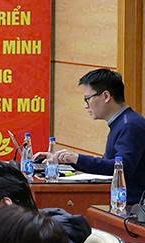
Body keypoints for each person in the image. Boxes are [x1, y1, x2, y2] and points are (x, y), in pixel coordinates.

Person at [46, 68, 145, 210]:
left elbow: (120, 169)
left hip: (131, 209)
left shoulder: (130, 125)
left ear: (106, 96)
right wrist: (68, 160)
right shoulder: (123, 122)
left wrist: (77, 158)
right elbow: (108, 164)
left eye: (87, 99)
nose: (85, 106)